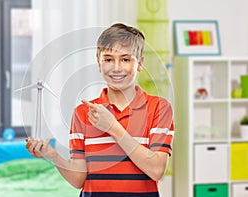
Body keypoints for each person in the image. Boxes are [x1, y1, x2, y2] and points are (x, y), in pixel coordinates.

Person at [26, 23, 174, 197]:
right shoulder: (82, 113)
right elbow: (78, 180)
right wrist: (53, 155)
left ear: (140, 63)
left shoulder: (159, 108)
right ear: (99, 63)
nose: (116, 67)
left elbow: (156, 169)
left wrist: (112, 127)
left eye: (125, 59)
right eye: (108, 59)